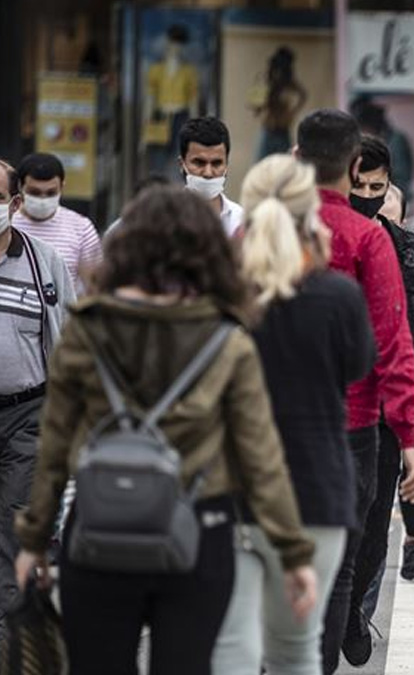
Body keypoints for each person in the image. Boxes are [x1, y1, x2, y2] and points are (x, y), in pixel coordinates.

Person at [13, 186, 318, 675]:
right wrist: (292, 552)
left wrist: (33, 541)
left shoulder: (87, 329)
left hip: (97, 527)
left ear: (126, 248)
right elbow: (260, 458)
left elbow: (54, 447)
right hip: (200, 530)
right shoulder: (228, 338)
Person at [209, 155, 374, 674]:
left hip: (230, 486)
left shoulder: (224, 291)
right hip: (316, 487)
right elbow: (360, 365)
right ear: (311, 217)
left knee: (232, 648)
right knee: (295, 650)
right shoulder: (336, 295)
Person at [294, 108, 414, 675]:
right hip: (351, 428)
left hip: (272, 425)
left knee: (270, 558)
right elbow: (393, 341)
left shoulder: (263, 230)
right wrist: (412, 434)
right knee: (339, 570)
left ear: (297, 159)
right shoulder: (366, 236)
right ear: (353, 167)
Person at [343, 137, 414, 665]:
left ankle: (354, 612)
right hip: (328, 408)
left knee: (372, 522)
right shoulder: (319, 240)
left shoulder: (407, 249)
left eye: (376, 188)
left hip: (389, 412)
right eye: (357, 186)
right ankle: (335, 613)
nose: (367, 196)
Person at [0, 160, 74, 631]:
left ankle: (9, 635)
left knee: (14, 527)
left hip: (26, 414)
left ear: (14, 203)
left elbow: (69, 338)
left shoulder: (43, 261)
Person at [12, 152, 102, 293]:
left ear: (62, 187)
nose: (43, 199)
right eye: (34, 192)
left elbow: (94, 287)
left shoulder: (82, 229)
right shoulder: (7, 223)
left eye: (51, 193)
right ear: (20, 187)